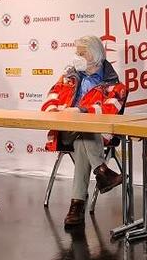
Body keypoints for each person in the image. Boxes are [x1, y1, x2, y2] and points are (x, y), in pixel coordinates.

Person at [41, 36, 127, 228]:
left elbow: (109, 110)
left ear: (96, 56)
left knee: (83, 139)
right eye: (76, 52)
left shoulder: (115, 86)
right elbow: (49, 102)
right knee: (84, 133)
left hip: (97, 135)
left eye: (82, 53)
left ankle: (77, 206)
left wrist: (81, 112)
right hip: (65, 131)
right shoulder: (67, 78)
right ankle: (103, 172)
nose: (77, 56)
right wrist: (60, 113)